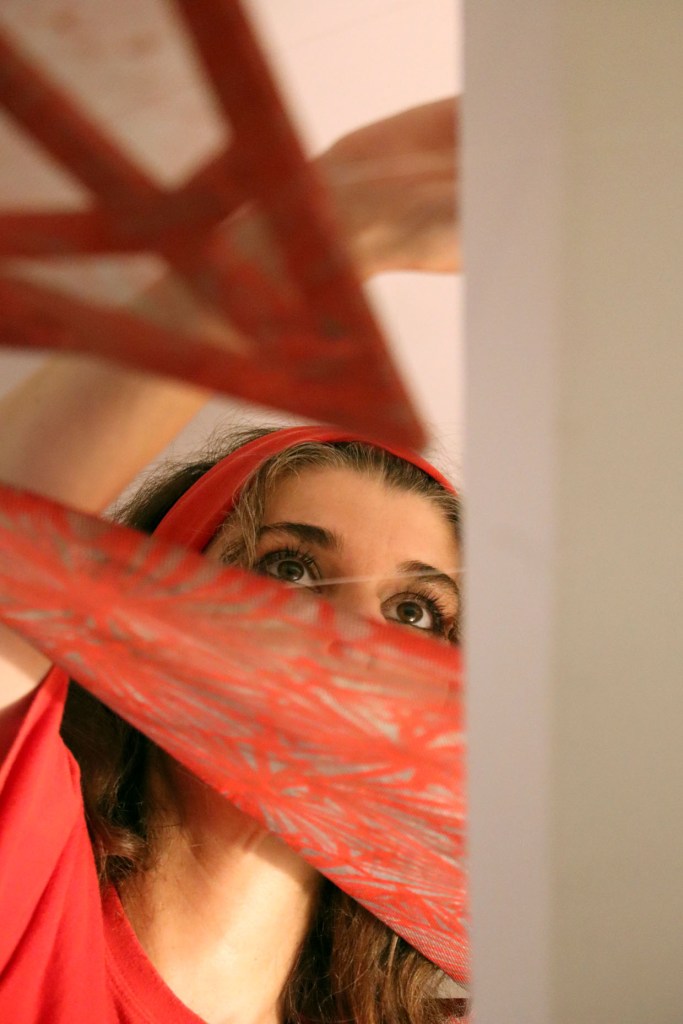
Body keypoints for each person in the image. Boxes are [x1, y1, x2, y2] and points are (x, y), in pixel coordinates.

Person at [0, 100, 465, 1023]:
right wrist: (318, 225)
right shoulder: (26, 897)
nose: (354, 636)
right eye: (289, 569)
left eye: (417, 613)